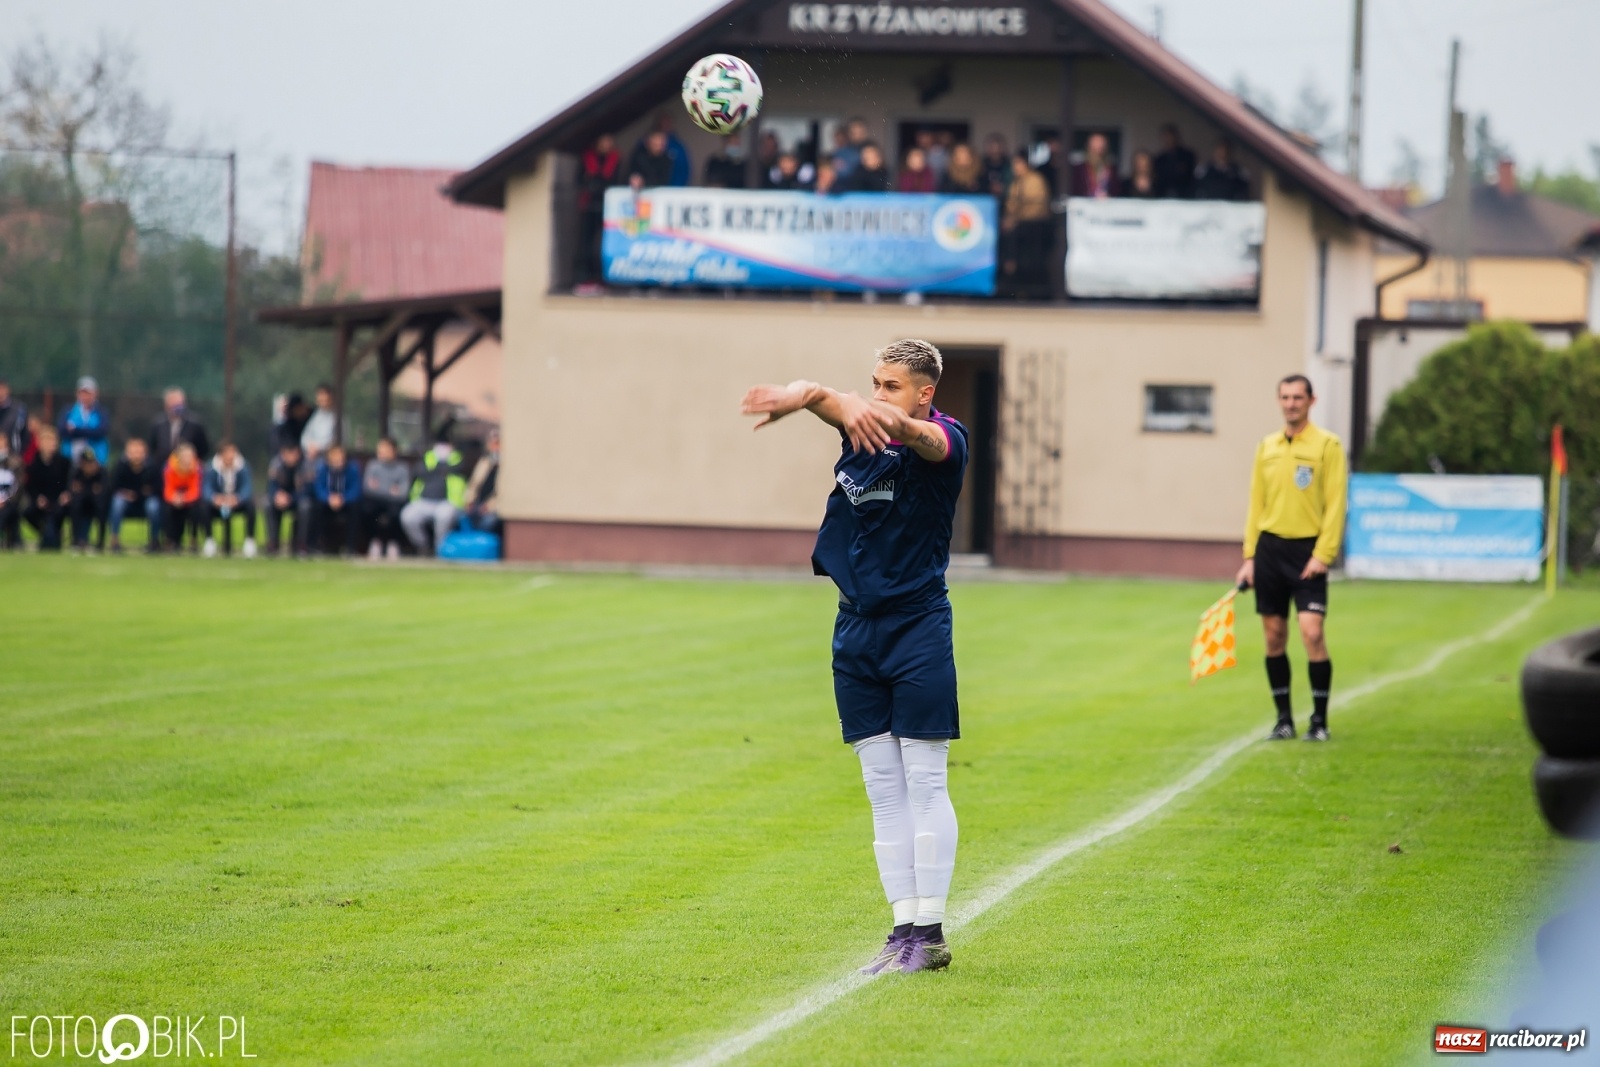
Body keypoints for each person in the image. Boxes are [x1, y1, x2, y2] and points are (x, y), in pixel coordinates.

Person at [740, 340, 969, 975]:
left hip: (918, 627)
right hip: (854, 629)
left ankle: (931, 930)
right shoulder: (863, 428)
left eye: (891, 386)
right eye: (874, 383)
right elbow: (839, 404)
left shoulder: (945, 439)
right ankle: (902, 931)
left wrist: (858, 408)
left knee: (925, 780)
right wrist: (807, 395)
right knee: (881, 790)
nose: (878, 396)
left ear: (924, 393)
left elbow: (914, 434)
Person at [1236, 374, 1348, 743]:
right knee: (1273, 636)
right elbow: (1256, 504)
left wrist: (1324, 554)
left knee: (1311, 632)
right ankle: (1283, 719)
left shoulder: (1327, 445)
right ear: (1278, 400)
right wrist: (1250, 556)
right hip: (1269, 550)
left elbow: (1336, 503)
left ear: (1311, 401)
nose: (1291, 404)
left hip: (1307, 552)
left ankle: (1319, 721)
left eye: (1298, 397)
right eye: (1285, 397)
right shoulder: (1266, 446)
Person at [401, 436, 465, 557]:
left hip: (448, 502)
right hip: (424, 501)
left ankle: (439, 550)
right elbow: (419, 472)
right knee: (408, 516)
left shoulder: (457, 459)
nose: (443, 449)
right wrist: (438, 469)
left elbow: (458, 469)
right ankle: (423, 546)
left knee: (444, 516)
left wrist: (442, 468)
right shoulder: (428, 458)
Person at [577, 133, 624, 289]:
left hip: (608, 208)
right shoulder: (587, 157)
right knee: (586, 244)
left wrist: (595, 182)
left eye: (608, 141)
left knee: (606, 244)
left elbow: (614, 181)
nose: (605, 144)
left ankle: (604, 276)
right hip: (589, 206)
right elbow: (579, 180)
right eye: (603, 141)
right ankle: (585, 276)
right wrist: (592, 184)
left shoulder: (615, 159)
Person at [1003, 151, 1053, 296]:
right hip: (1019, 224)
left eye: (1018, 163)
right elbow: (1011, 204)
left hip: (1035, 225)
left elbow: (1035, 205)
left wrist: (1015, 219)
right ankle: (1011, 278)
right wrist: (1009, 218)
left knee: (1028, 257)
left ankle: (1029, 288)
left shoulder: (1035, 180)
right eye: (1014, 164)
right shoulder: (1016, 182)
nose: (1015, 167)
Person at [104, 438, 161, 554]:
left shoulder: (152, 467)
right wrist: (126, 494)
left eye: (139, 452)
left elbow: (157, 488)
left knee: (154, 506)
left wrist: (138, 494)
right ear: (127, 453)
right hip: (126, 502)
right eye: (133, 452)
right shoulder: (120, 466)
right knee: (117, 502)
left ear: (145, 453)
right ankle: (114, 539)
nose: (136, 455)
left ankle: (154, 540)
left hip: (146, 501)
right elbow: (113, 487)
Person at [201, 441, 257, 558]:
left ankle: (249, 541)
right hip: (218, 503)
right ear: (221, 455)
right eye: (228, 453)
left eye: (233, 452)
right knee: (204, 507)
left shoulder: (243, 466)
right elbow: (206, 487)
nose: (231, 456)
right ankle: (209, 541)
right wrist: (215, 498)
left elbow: (247, 487)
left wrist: (238, 498)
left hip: (236, 502)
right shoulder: (211, 467)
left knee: (250, 506)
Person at [360, 437, 410, 560]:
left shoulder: (402, 468)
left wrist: (379, 488)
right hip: (376, 501)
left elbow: (403, 493)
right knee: (367, 510)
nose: (382, 453)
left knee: (396, 512)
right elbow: (368, 488)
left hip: (395, 503)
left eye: (385, 449)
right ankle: (375, 542)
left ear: (394, 451)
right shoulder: (373, 466)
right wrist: (390, 490)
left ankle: (393, 543)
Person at [23, 426, 72, 551]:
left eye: (53, 441)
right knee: (28, 511)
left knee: (58, 511)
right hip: (41, 501)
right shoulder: (33, 464)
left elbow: (68, 483)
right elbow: (30, 486)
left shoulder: (64, 462)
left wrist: (65, 494)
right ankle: (48, 535)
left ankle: (51, 539)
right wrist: (38, 498)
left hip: (58, 500)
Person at [312, 444, 362, 557]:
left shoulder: (353, 468)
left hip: (345, 502)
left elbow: (356, 489)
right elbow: (319, 488)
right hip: (328, 502)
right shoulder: (322, 468)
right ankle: (320, 545)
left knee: (356, 508)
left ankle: (350, 547)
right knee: (317, 507)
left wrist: (342, 499)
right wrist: (329, 498)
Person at [264, 441, 311, 557]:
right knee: (268, 504)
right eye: (287, 453)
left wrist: (290, 498)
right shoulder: (276, 464)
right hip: (279, 499)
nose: (289, 457)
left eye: (292, 453)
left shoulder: (305, 466)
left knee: (305, 506)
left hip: (297, 499)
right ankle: (273, 543)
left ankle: (301, 544)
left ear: (298, 454)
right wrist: (277, 495)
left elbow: (307, 489)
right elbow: (271, 485)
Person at [149, 387, 209, 468]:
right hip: (162, 470)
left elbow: (203, 448)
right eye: (173, 404)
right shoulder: (158, 424)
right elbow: (153, 447)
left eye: (179, 403)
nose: (177, 407)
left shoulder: (195, 424)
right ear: (166, 405)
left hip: (189, 471)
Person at [57, 376, 110, 465]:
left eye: (88, 393)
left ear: (95, 393)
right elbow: (62, 430)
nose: (85, 396)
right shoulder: (68, 410)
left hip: (96, 458)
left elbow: (102, 431)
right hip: (71, 457)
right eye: (82, 393)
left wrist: (76, 431)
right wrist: (89, 431)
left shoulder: (102, 412)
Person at [161, 443, 203, 552]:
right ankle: (170, 541)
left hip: (188, 500)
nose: (187, 459)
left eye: (190, 456)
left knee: (196, 509)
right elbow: (167, 488)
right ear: (178, 457)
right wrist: (174, 498)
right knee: (168, 509)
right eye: (184, 456)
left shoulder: (197, 468)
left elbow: (195, 489)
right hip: (174, 499)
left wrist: (184, 498)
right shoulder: (169, 468)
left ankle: (193, 540)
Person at [66, 448, 106, 550]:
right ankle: (76, 540)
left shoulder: (101, 472)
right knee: (75, 506)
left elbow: (104, 491)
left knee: (101, 507)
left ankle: (100, 541)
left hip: (96, 503)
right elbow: (72, 490)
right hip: (81, 504)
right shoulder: (76, 472)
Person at [465, 430, 500, 534]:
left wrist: (488, 506)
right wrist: (469, 501)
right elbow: (473, 483)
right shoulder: (484, 462)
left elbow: (503, 493)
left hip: (493, 508)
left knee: (488, 522)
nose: (495, 447)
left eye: (497, 443)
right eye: (492, 443)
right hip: (477, 504)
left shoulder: (506, 465)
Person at [1152, 123, 1197, 199]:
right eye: (1166, 137)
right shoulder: (1159, 159)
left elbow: (1190, 177)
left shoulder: (1187, 156)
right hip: (1163, 196)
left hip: (1184, 196)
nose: (1169, 140)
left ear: (1176, 137)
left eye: (1171, 136)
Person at [1071, 132, 1120, 198]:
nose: (1097, 154)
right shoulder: (1078, 170)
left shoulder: (1112, 171)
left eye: (1101, 150)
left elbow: (1117, 192)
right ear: (1088, 149)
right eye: (1094, 150)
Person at [653, 113, 691, 187]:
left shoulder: (677, 146)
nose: (665, 125)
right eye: (663, 123)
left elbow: (684, 170)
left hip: (674, 189)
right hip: (653, 189)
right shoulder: (646, 143)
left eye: (668, 123)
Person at [0, 434, 23, 550]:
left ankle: (14, 540)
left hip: (9, 501)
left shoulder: (15, 463)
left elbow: (17, 487)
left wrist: (4, 500)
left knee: (8, 511)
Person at [300, 384, 338, 454]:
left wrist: (319, 447)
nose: (322, 400)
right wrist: (310, 446)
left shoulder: (337, 417)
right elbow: (305, 437)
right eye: (319, 397)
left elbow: (335, 441)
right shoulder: (316, 416)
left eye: (324, 397)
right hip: (312, 455)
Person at [0, 378, 28, 457]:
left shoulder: (19, 409)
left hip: (13, 455)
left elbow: (24, 434)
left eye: (2, 388)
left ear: (7, 390)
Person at [980, 134, 1012, 202]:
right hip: (985, 201)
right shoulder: (980, 165)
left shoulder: (1011, 165)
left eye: (998, 147)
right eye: (992, 148)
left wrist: (1004, 188)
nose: (995, 151)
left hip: (1006, 202)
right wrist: (988, 187)